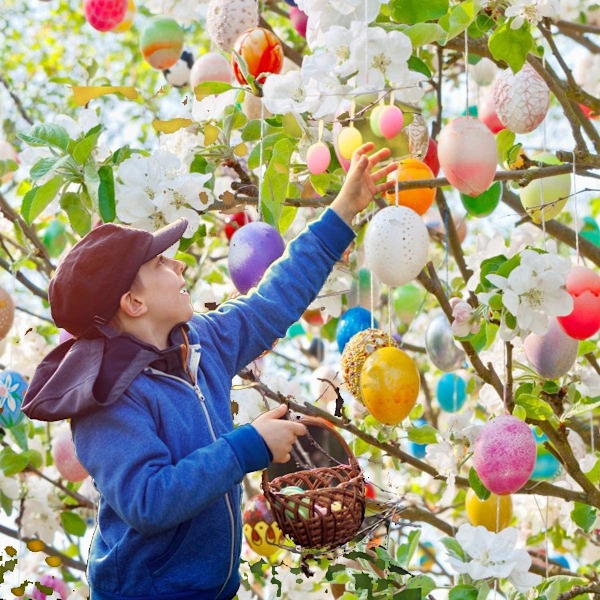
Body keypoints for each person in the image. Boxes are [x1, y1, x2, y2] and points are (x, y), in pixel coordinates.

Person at [23, 143, 397, 600]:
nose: (178, 263)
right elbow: (150, 499)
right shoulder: (105, 399)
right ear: (134, 303)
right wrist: (248, 447)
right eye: (160, 262)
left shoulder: (201, 342)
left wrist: (341, 213)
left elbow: (272, 300)